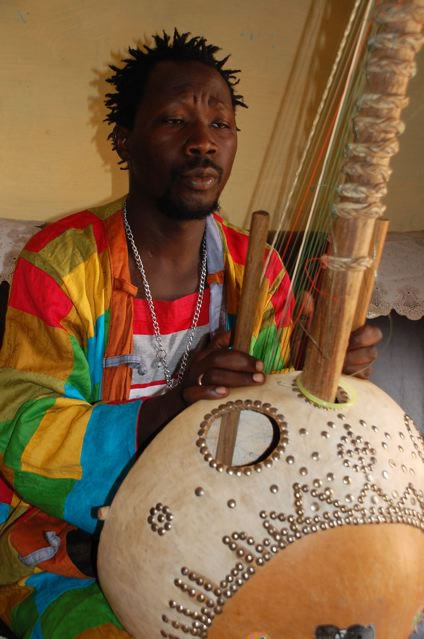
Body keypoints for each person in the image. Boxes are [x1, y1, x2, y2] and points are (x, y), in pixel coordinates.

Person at [0, 30, 381, 638]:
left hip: (217, 540)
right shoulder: (62, 264)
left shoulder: (256, 271)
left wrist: (328, 369)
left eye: (221, 124)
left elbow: (276, 428)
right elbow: (21, 435)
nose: (203, 142)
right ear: (124, 141)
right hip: (71, 556)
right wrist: (175, 405)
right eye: (174, 120)